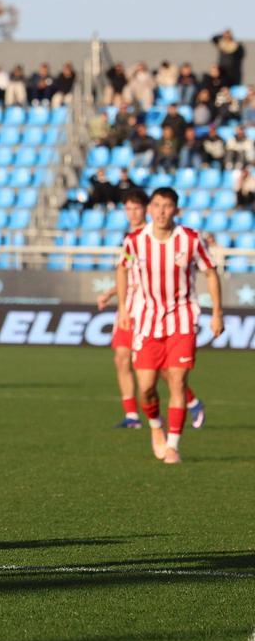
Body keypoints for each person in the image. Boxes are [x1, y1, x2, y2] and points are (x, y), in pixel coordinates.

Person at [116, 188, 223, 464]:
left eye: (167, 206)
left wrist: (217, 313)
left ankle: (173, 445)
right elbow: (122, 268)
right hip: (147, 322)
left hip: (182, 319)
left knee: (177, 381)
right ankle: (155, 426)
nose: (162, 211)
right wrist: (123, 307)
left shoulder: (190, 240)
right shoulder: (135, 241)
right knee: (147, 388)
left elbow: (210, 272)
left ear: (176, 210)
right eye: (157, 205)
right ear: (150, 209)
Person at [98, 189, 205, 430]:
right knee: (121, 358)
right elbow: (128, 273)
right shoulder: (133, 238)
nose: (132, 213)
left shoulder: (157, 236)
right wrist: (113, 294)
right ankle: (133, 416)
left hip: (156, 312)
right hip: (132, 310)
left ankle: (191, 401)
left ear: (146, 209)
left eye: (136, 208)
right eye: (128, 208)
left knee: (165, 370)